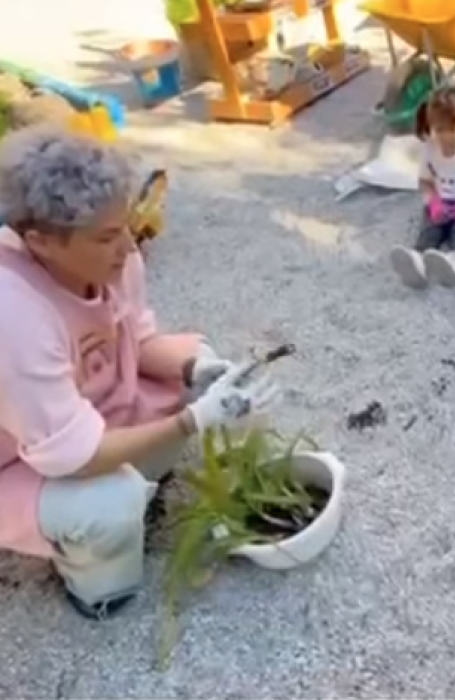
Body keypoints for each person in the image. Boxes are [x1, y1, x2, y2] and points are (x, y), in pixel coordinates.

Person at [0, 127, 279, 620]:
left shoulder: (115, 260)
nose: (129, 248)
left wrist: (201, 370)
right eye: (107, 237)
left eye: (126, 225)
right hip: (18, 459)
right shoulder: (13, 312)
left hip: (86, 407)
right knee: (111, 503)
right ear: (40, 241)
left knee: (197, 360)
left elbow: (139, 342)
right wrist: (190, 422)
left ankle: (138, 475)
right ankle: (93, 582)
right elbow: (72, 456)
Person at [390, 86, 455, 289]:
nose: (446, 136)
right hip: (442, 200)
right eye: (439, 130)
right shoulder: (430, 147)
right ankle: (418, 259)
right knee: (429, 230)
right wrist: (434, 202)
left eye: (452, 129)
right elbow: (426, 181)